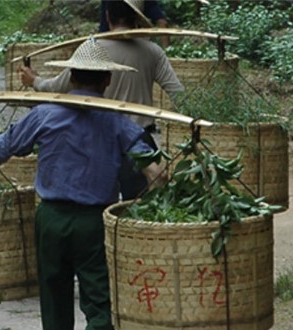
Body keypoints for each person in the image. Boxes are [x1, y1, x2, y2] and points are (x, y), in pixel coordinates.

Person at [0, 38, 166, 330]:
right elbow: (156, 174)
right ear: (108, 81)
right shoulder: (117, 121)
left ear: (71, 78)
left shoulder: (46, 114)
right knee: (102, 309)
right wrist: (150, 199)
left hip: (50, 220)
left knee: (55, 309)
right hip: (93, 224)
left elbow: (0, 149)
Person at [18, 0, 184, 200]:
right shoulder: (152, 51)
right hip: (140, 141)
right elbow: (179, 94)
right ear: (137, 19)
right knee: (135, 209)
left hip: (98, 140)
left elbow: (56, 87)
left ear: (107, 16)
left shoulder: (92, 51)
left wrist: (34, 80)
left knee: (97, 201)